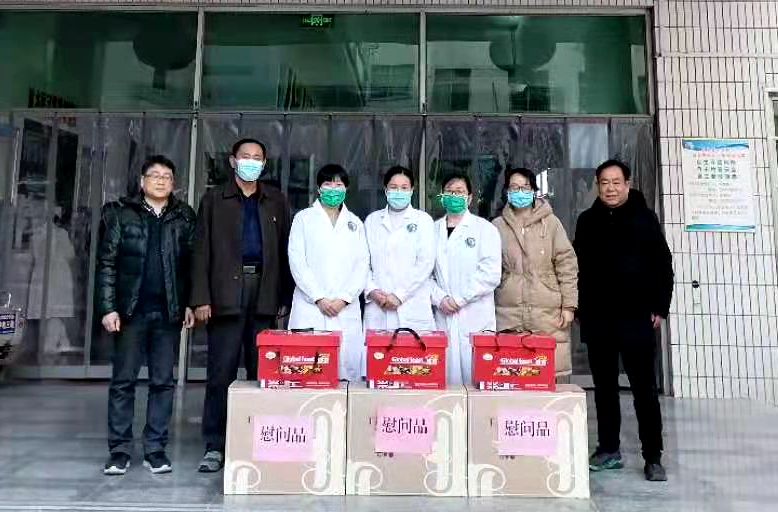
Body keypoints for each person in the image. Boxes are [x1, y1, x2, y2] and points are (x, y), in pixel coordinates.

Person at [190, 138, 293, 473]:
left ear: (264, 163)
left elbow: (285, 251)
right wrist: (201, 297)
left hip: (264, 291)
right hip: (224, 294)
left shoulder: (275, 200)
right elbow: (201, 250)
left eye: (257, 157)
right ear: (233, 161)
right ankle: (215, 445)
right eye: (245, 156)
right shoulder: (214, 200)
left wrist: (285, 297)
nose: (251, 162)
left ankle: (258, 439)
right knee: (220, 373)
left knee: (263, 372)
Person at [574, 159, 673, 482]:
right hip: (599, 318)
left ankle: (653, 456)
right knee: (604, 390)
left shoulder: (645, 219)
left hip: (636, 317)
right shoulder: (587, 221)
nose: (610, 188)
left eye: (616, 182)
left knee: (644, 390)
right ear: (597, 185)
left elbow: (663, 265)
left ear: (627, 184)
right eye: (604, 183)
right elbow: (577, 269)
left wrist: (660, 306)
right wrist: (579, 309)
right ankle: (608, 449)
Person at [97, 155, 196, 475]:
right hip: (130, 313)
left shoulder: (184, 216)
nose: (161, 180)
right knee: (123, 382)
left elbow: (192, 266)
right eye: (154, 175)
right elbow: (106, 263)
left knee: (163, 382)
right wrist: (108, 307)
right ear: (142, 181)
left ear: (174, 183)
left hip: (168, 313)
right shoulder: (121, 214)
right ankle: (119, 450)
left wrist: (190, 303)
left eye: (167, 176)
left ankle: (155, 448)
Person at [492, 167, 578, 376]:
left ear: (533, 191)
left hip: (547, 310)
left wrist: (569, 306)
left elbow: (566, 264)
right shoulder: (497, 226)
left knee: (545, 374)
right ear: (506, 191)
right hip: (509, 311)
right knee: (513, 373)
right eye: (514, 187)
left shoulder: (551, 223)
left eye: (525, 187)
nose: (520, 192)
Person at [287, 164, 369, 382]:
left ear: (346, 188)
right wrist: (319, 297)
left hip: (345, 308)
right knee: (309, 371)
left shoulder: (355, 223)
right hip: (311, 307)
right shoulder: (303, 218)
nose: (333, 189)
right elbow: (297, 262)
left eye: (338, 184)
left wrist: (344, 298)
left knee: (345, 374)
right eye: (328, 184)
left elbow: (362, 265)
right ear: (318, 188)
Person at [430, 173, 501, 386]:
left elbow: (490, 274)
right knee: (444, 380)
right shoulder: (431, 230)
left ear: (469, 198)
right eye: (449, 191)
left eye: (459, 192)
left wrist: (460, 299)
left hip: (475, 315)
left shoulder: (485, 229)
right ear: (442, 196)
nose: (454, 196)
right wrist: (440, 298)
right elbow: (424, 273)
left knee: (478, 379)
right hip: (443, 313)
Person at [364, 166, 435, 332]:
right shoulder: (372, 221)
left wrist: (399, 295)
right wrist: (372, 290)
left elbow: (425, 263)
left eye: (404, 188)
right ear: (385, 190)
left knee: (411, 349)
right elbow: (362, 263)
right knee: (377, 348)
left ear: (412, 191)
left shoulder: (423, 221)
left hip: (412, 306)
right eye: (394, 187)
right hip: (378, 306)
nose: (399, 192)